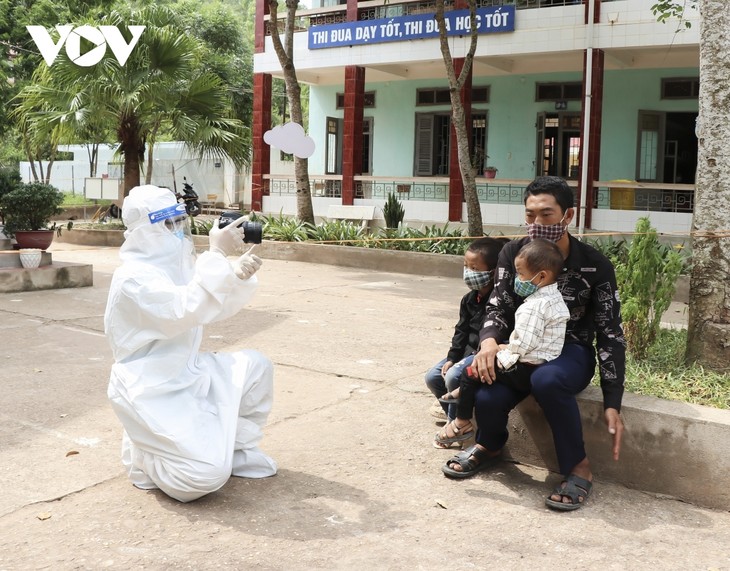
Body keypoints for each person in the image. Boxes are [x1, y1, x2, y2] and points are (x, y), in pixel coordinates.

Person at [442, 176, 625, 512]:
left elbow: (610, 332)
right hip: (519, 346)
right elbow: (497, 305)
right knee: (487, 388)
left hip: (569, 351)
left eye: (546, 214)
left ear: (568, 216)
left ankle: (578, 466)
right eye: (530, 215)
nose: (536, 224)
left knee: (547, 379)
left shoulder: (594, 264)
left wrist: (613, 401)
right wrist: (487, 344)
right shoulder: (514, 253)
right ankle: (490, 446)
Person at [104, 185, 277, 503]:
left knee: (256, 367)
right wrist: (217, 256)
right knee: (204, 477)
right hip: (149, 387)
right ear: (144, 230)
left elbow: (209, 308)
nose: (177, 232)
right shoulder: (133, 278)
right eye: (168, 225)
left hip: (186, 370)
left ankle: (235, 449)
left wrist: (235, 277)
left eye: (178, 222)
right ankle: (144, 455)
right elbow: (185, 309)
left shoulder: (173, 268)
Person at [434, 238, 569, 447]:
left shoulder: (534, 306)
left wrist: (501, 350)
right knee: (473, 372)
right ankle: (462, 395)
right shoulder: (554, 299)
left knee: (471, 371)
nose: (517, 279)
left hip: (525, 366)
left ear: (541, 276)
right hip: (539, 361)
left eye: (521, 274)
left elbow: (523, 346)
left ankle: (461, 422)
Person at [424, 237, 506, 447]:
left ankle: (456, 428)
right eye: (466, 266)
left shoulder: (502, 301)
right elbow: (461, 331)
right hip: (465, 352)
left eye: (474, 267)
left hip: (481, 354)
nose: (468, 272)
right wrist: (452, 357)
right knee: (434, 376)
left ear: (494, 271)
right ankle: (454, 418)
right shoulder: (469, 299)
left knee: (453, 377)